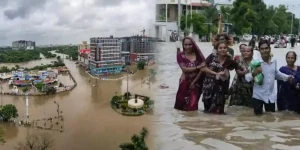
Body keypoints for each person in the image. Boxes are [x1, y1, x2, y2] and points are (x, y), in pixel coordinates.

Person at [245, 40, 294, 115]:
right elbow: (247, 78)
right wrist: (255, 73)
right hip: (258, 96)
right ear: (259, 50)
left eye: (266, 48)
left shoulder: (274, 61)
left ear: (270, 49)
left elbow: (276, 74)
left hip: (270, 96)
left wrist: (288, 77)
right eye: (262, 49)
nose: (264, 50)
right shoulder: (255, 63)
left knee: (271, 119)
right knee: (257, 120)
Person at [201, 41, 243, 114]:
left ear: (227, 49)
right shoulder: (212, 57)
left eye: (224, 48)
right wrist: (216, 74)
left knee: (219, 113)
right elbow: (203, 68)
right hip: (209, 89)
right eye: (220, 48)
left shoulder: (229, 61)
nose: (222, 49)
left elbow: (240, 67)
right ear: (217, 49)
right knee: (207, 112)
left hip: (221, 90)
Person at [175, 36, 206, 111]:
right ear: (183, 45)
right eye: (186, 45)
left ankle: (193, 122)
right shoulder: (180, 55)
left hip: (197, 83)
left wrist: (194, 82)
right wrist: (197, 67)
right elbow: (184, 69)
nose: (188, 47)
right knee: (181, 105)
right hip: (184, 82)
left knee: (193, 106)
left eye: (190, 44)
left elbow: (203, 68)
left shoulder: (198, 55)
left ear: (193, 45)